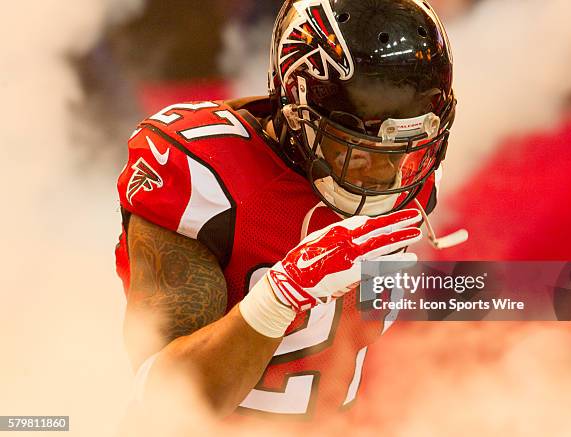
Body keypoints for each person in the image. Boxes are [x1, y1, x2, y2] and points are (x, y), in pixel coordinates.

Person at [116, 0, 458, 420]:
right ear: (297, 113)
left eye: (405, 151)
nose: (386, 173)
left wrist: (552, 295)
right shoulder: (203, 170)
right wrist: (281, 295)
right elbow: (165, 409)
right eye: (358, 149)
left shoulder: (412, 171)